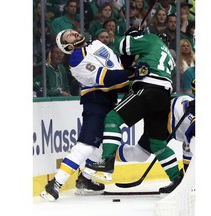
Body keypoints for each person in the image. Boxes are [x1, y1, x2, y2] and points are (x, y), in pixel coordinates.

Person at [40, 29, 150, 201]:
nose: (73, 33)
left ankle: (85, 179)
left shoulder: (97, 44)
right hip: (95, 100)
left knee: (103, 145)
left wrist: (130, 40)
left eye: (72, 31)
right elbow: (106, 77)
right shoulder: (76, 59)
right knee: (87, 144)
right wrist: (133, 73)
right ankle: (54, 184)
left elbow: (118, 66)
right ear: (67, 46)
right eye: (68, 35)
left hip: (110, 99)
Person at [85, 23, 184, 193]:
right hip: (164, 96)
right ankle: (177, 178)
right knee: (157, 143)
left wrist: (129, 37)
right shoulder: (168, 56)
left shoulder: (150, 39)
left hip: (149, 90)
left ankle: (107, 161)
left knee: (112, 119)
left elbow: (122, 45)